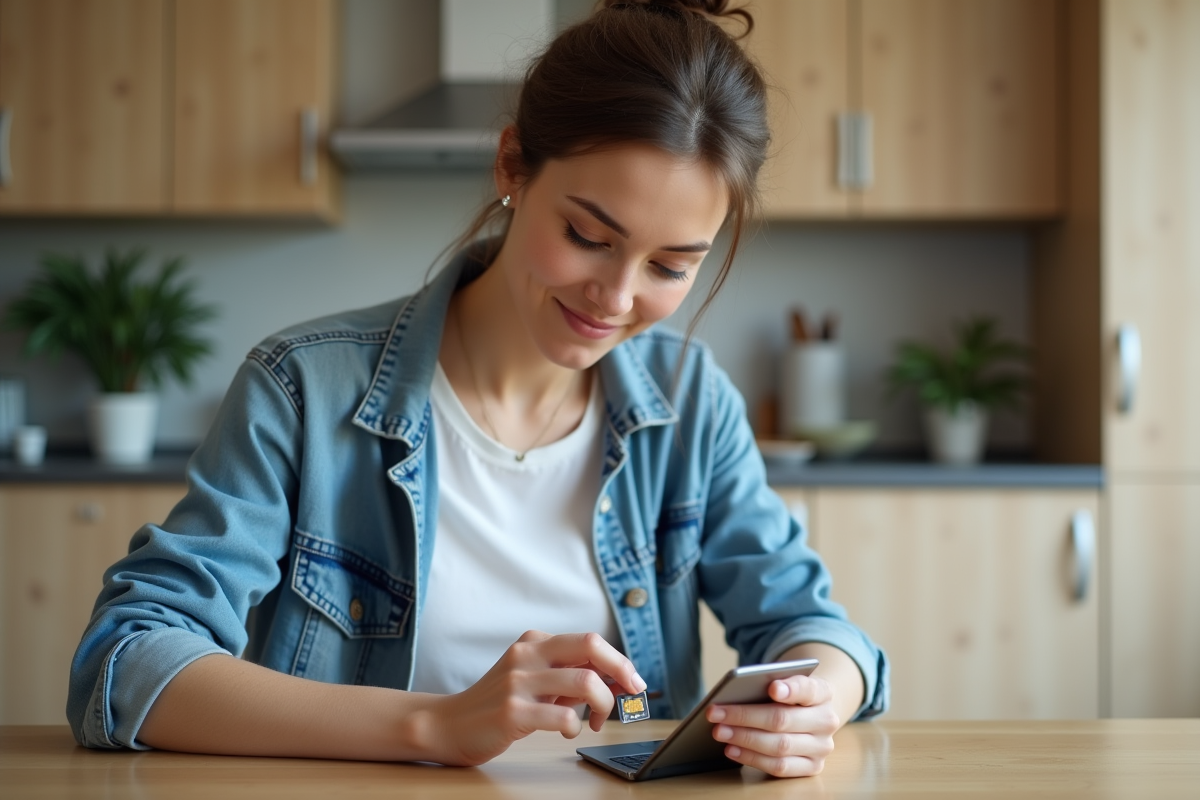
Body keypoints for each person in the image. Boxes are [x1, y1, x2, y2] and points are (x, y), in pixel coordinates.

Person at [68, 0, 887, 778]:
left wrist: (814, 699)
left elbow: (815, 631)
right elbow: (125, 660)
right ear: (511, 166)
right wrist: (436, 725)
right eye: (587, 236)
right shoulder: (303, 388)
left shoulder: (692, 400)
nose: (616, 297)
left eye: (671, 267)